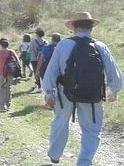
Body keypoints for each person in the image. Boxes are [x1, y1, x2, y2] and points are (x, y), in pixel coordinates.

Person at [43, 12, 122, 165]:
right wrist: (113, 91)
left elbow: (51, 71)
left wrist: (49, 93)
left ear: (73, 27)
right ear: (91, 28)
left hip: (65, 93)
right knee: (91, 131)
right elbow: (115, 73)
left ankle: (55, 154)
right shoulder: (100, 46)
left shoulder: (63, 44)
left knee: (60, 122)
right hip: (92, 95)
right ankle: (84, 162)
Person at [0, 38, 19, 112]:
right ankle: (8, 105)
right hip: (9, 73)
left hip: (0, 73)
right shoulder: (11, 52)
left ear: (1, 45)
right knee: (8, 88)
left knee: (0, 89)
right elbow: (17, 61)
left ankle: (1, 106)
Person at [30, 28, 47, 92]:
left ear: (37, 34)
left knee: (36, 72)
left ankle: (39, 86)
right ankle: (44, 85)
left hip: (34, 59)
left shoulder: (33, 41)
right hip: (43, 59)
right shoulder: (45, 42)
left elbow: (30, 49)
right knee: (42, 71)